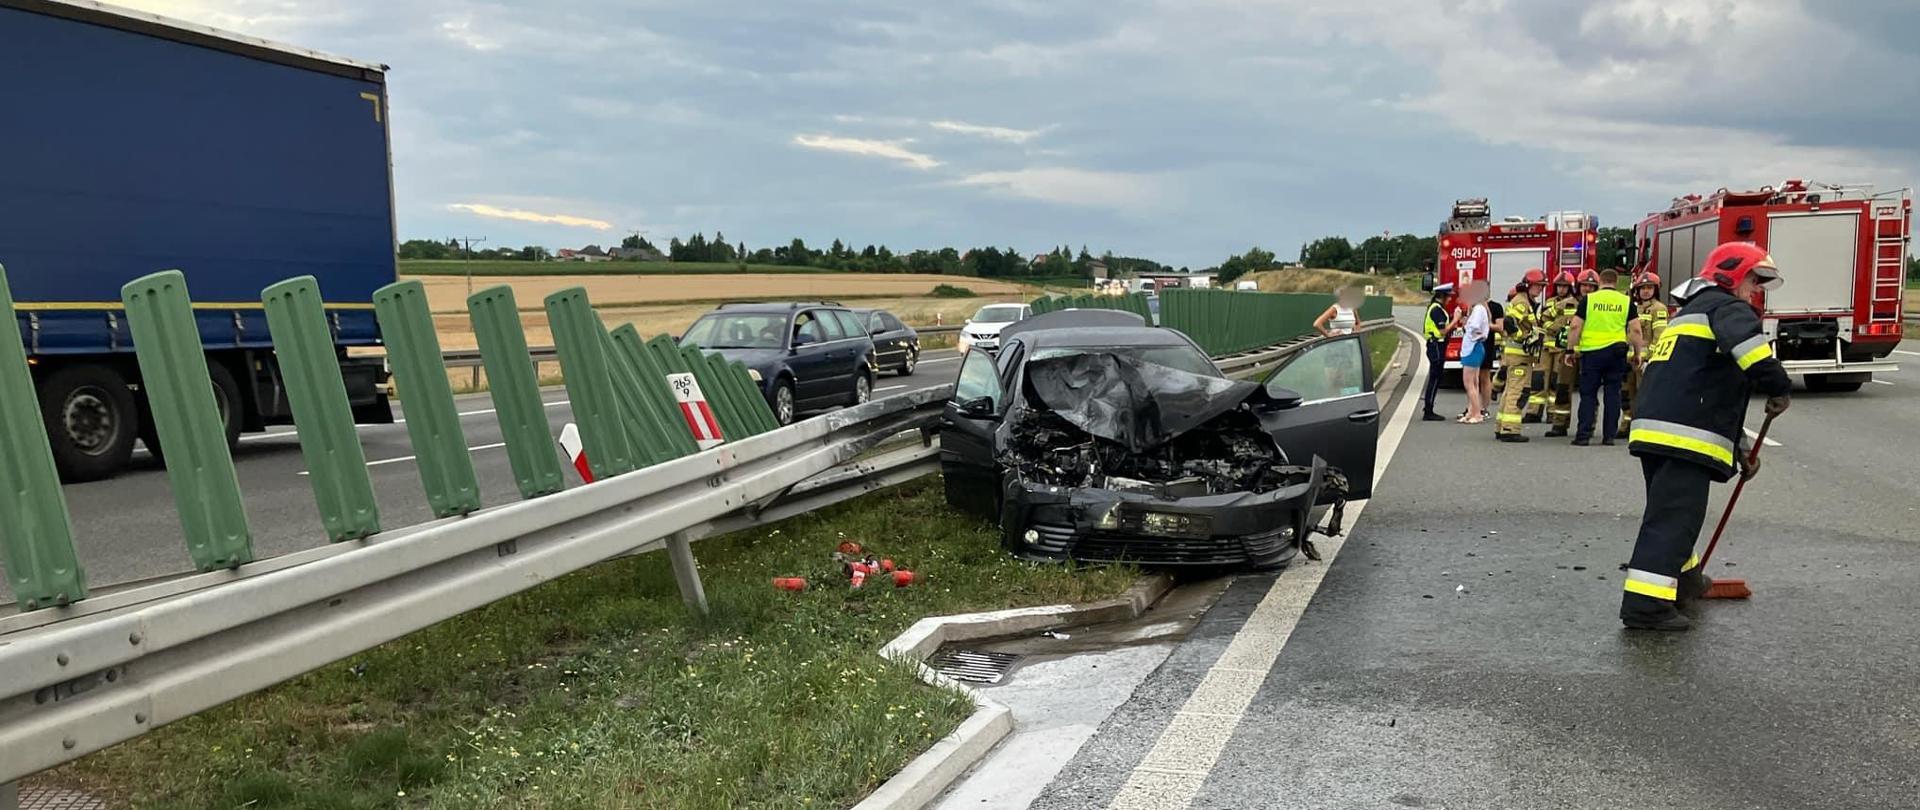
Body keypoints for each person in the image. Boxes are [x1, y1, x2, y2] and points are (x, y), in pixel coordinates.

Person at [1621, 243, 1792, 631]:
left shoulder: (1691, 313)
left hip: (1659, 430)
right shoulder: (1729, 309)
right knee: (1673, 519)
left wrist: (1739, 449)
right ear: (1731, 274)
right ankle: (1645, 607)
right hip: (1684, 435)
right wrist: (1779, 386)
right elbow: (1751, 355)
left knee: (1676, 515)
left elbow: (1706, 387)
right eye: (1753, 279)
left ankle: (1684, 581)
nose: (1756, 290)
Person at [1563, 268, 1640, 446]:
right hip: (1617, 353)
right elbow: (1635, 330)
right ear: (1615, 282)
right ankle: (1609, 436)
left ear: (1600, 282)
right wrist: (1637, 354)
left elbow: (1575, 327)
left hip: (1592, 353)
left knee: (1588, 394)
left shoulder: (1589, 300)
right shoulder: (1626, 301)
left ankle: (1583, 436)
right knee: (1613, 393)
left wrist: (1570, 350)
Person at [1495, 269, 1547, 442]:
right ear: (1528, 285)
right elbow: (1509, 323)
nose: (1540, 289)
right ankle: (1510, 429)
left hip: (1516, 356)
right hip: (1519, 356)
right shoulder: (1522, 302)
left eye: (1542, 286)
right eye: (1538, 286)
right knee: (1518, 393)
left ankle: (1501, 426)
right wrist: (1524, 338)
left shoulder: (1524, 300)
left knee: (1509, 391)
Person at [1621, 272, 1670, 433]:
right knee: (1627, 395)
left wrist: (1651, 360)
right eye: (1642, 288)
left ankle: (1643, 428)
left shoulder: (1659, 309)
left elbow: (1660, 337)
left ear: (1656, 290)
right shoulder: (1631, 308)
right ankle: (1627, 424)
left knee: (1644, 396)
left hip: (1645, 362)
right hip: (1629, 360)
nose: (1646, 291)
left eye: (1649, 288)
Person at [1539, 272, 1579, 436]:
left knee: (1558, 383)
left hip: (1564, 349)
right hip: (1549, 346)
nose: (1561, 289)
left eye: (1565, 286)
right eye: (1559, 286)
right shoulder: (1552, 303)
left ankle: (1552, 413)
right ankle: (1536, 411)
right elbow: (1545, 318)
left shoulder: (1576, 303)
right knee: (1541, 380)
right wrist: (1553, 328)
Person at [1457, 281, 1491, 424]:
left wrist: (1466, 324)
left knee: (1469, 383)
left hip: (1473, 347)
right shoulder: (1480, 309)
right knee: (1475, 382)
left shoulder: (1478, 309)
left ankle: (1477, 413)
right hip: (1475, 347)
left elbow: (1476, 327)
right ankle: (1472, 411)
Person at [1421, 282, 1455, 421]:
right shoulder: (1437, 310)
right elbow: (1443, 331)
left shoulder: (1437, 308)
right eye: (1449, 296)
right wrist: (1456, 320)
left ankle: (1429, 408)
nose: (1450, 299)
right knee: (1435, 377)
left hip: (1436, 345)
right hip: (1436, 345)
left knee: (1437, 376)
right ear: (1443, 296)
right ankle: (1428, 410)